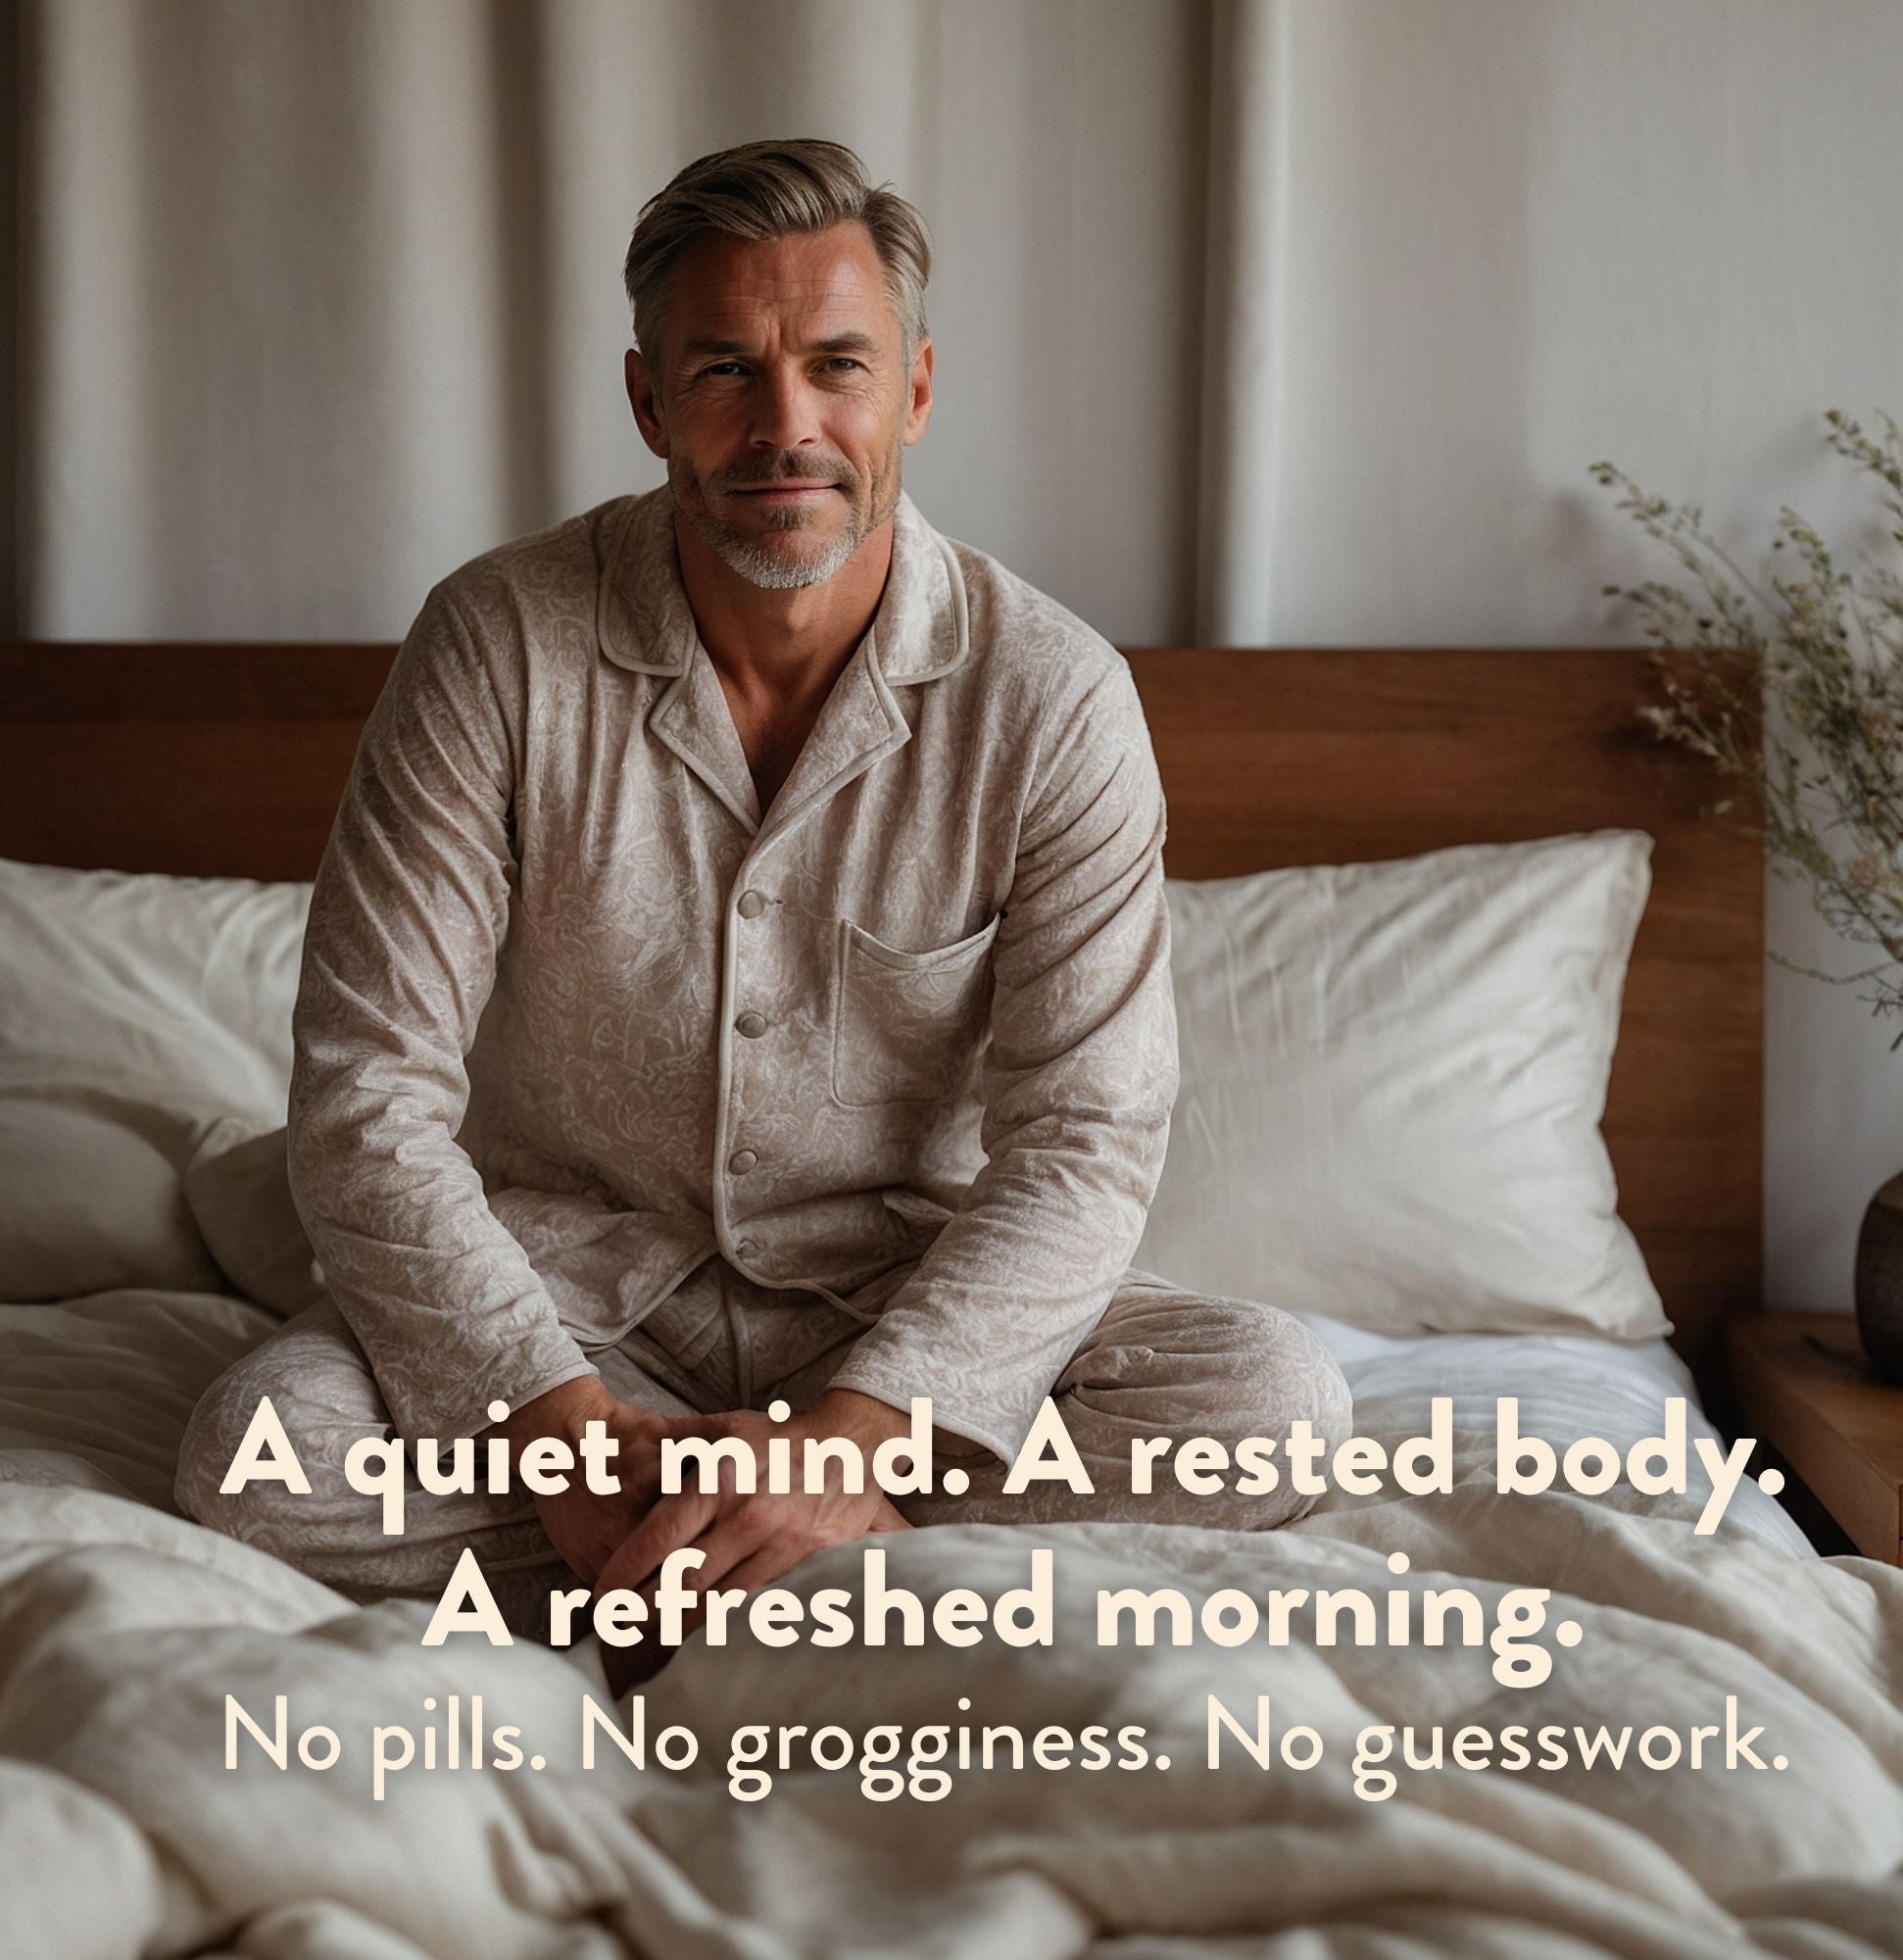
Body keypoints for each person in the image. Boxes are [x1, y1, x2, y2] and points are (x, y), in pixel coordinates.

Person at [176, 139, 1351, 1637]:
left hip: (901, 1318)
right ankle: (833, 1577)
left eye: (837, 367)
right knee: (259, 1458)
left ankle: (733, 1560)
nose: (786, 426)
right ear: (648, 399)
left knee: (1276, 1406)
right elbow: (365, 1092)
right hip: (568, 1312)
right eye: (727, 370)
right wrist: (563, 1434)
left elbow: (1086, 1140)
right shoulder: (493, 645)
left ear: (914, 390)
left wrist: (854, 1451)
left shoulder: (1053, 696)